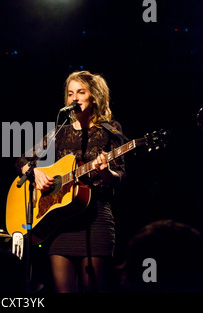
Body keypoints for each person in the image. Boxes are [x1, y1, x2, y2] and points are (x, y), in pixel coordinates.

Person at [15, 70, 125, 293]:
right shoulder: (60, 132)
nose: (74, 98)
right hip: (61, 222)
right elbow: (22, 160)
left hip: (96, 220)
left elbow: (119, 176)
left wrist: (105, 173)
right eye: (70, 94)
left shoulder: (110, 129)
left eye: (81, 92)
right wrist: (35, 173)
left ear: (93, 97)